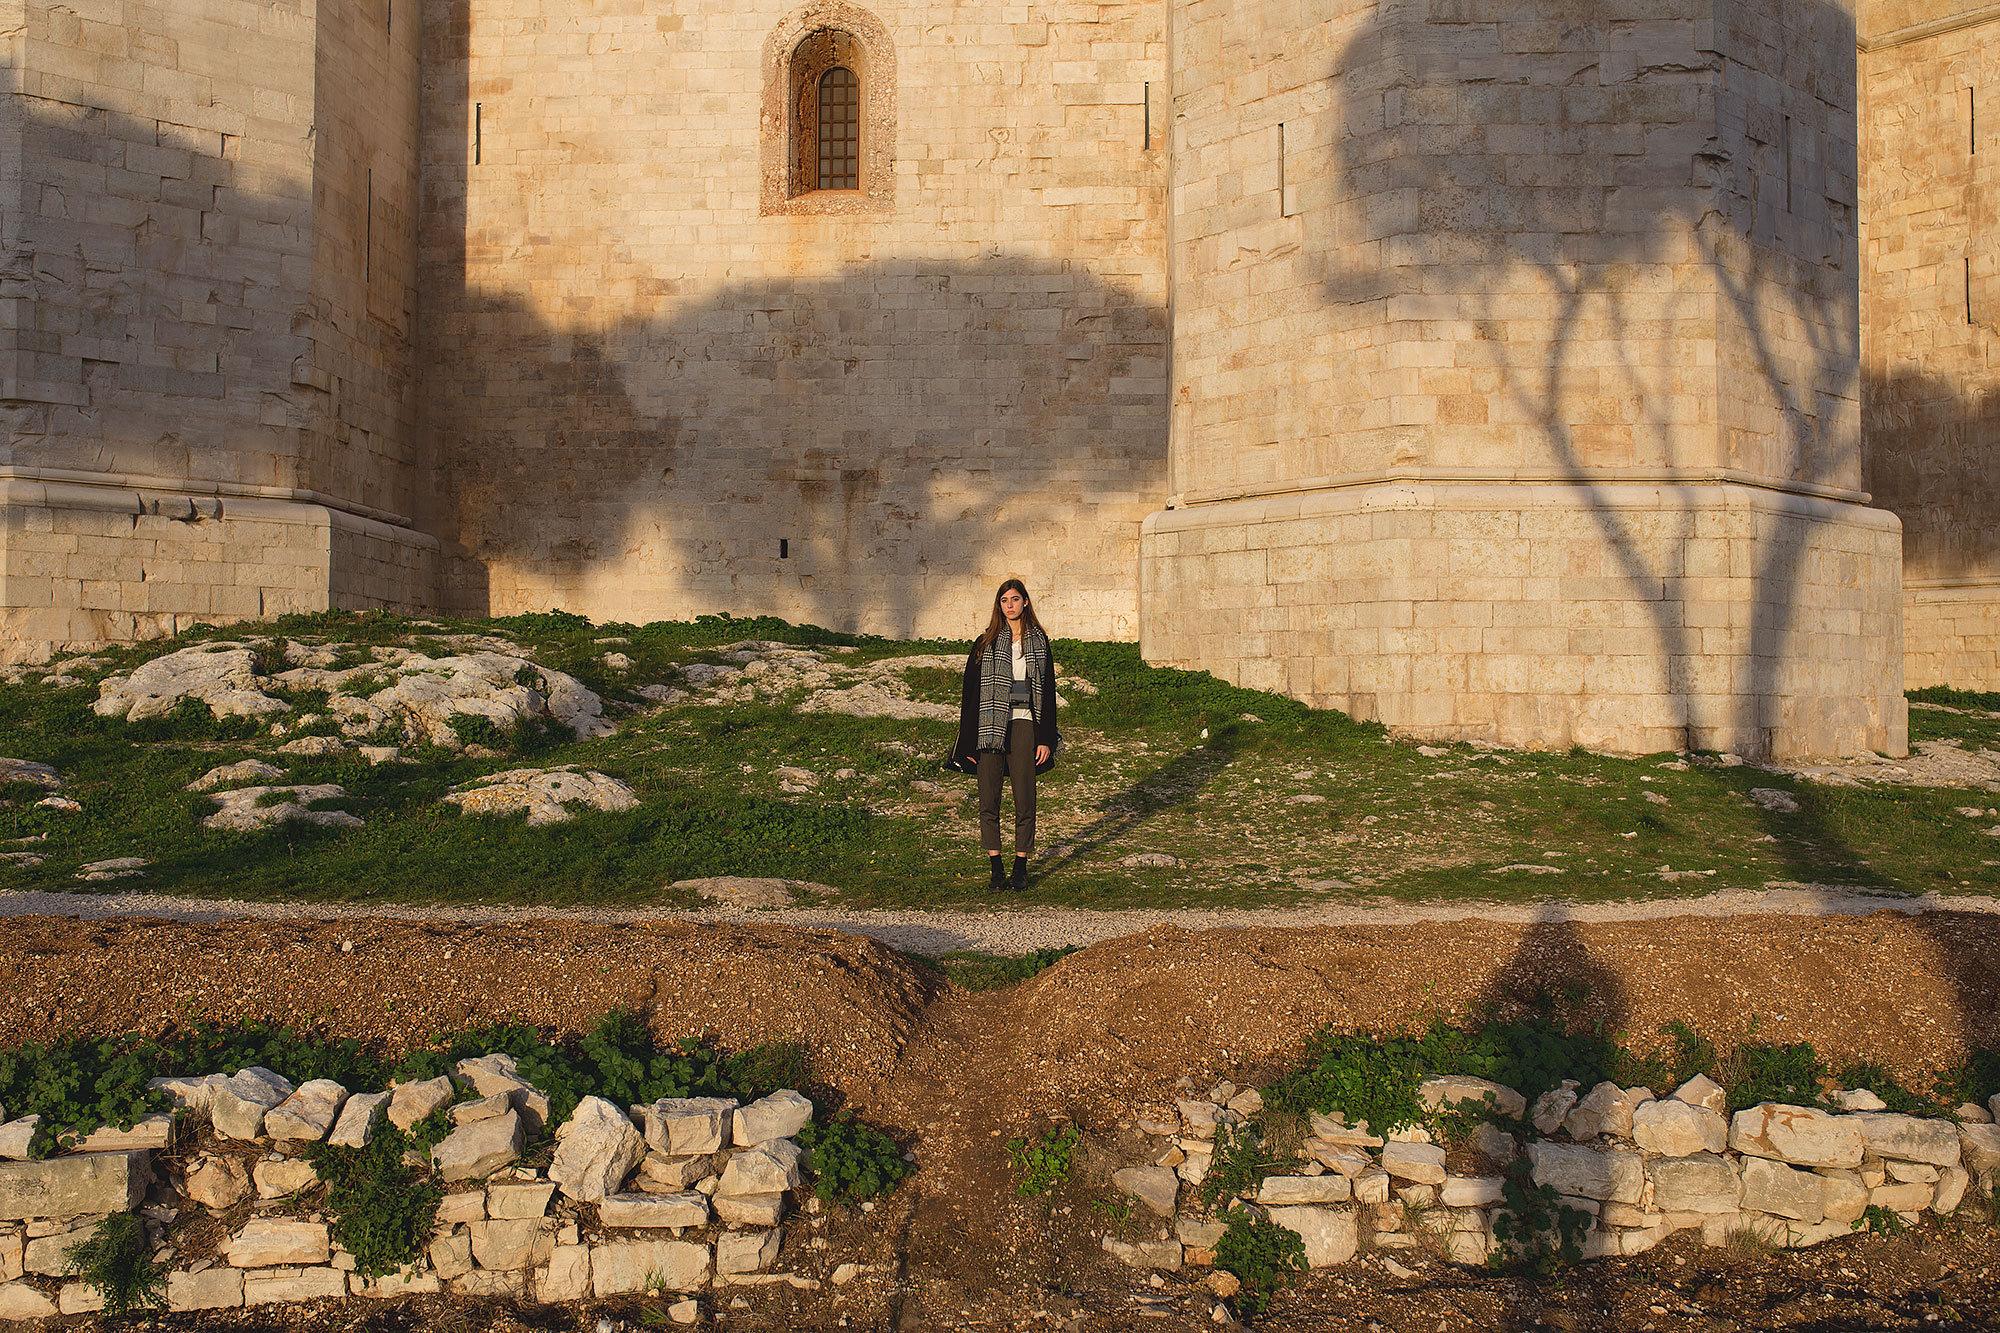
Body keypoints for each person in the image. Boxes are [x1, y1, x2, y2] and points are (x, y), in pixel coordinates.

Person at [950, 578, 1060, 891]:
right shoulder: (985, 642)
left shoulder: (1039, 642)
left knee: (1025, 799)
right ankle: (996, 868)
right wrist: (968, 742)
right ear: (999, 605)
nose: (1009, 605)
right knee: (989, 800)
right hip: (989, 727)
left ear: (1025, 601)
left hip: (1026, 723)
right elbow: (970, 695)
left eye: (1014, 599)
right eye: (1003, 600)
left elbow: (1048, 693)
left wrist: (1046, 739)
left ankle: (1020, 867)